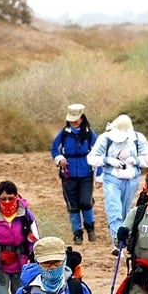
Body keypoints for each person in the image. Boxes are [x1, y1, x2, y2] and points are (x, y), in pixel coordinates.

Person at [88, 114, 148, 253]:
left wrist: (135, 160)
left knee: (126, 210)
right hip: (112, 178)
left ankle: (125, 238)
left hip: (132, 179)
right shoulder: (105, 138)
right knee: (115, 209)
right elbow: (92, 158)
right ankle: (117, 242)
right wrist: (107, 160)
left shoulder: (138, 138)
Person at [51, 104, 99, 246]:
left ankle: (90, 228)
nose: (73, 123)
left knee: (85, 202)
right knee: (72, 205)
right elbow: (54, 149)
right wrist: (59, 159)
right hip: (68, 174)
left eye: (76, 120)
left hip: (86, 173)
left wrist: (99, 172)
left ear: (82, 119)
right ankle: (77, 233)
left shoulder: (90, 134)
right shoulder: (64, 134)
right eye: (71, 120)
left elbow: (98, 151)